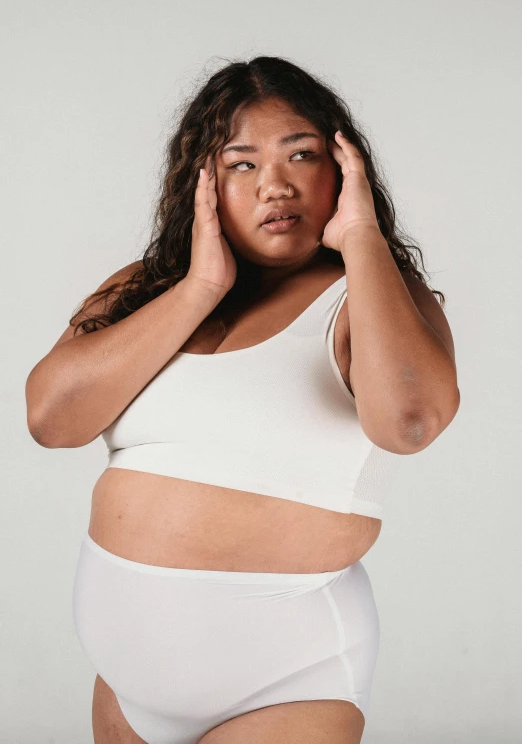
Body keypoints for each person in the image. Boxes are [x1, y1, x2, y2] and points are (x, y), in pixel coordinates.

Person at [25, 56, 460, 744]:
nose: (276, 185)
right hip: (125, 692)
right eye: (243, 163)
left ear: (343, 170)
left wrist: (362, 240)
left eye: (302, 154)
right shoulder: (144, 289)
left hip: (286, 685)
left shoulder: (370, 298)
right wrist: (199, 286)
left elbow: (410, 421)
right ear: (205, 180)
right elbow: (51, 419)